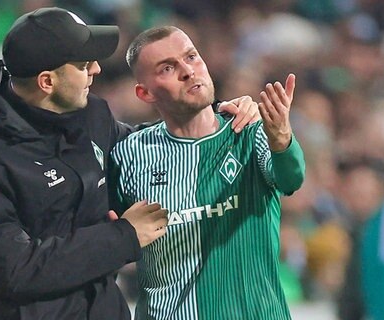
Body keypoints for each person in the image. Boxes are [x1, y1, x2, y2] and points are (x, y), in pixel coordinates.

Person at [0, 7, 259, 320]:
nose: (96, 70)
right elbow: (15, 271)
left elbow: (142, 147)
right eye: (84, 64)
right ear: (47, 82)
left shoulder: (90, 115)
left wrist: (213, 116)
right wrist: (124, 236)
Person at [110, 26, 305, 319]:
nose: (188, 71)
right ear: (145, 93)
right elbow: (106, 244)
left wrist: (282, 140)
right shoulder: (129, 154)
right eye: (167, 68)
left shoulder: (249, 132)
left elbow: (291, 179)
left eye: (192, 57)